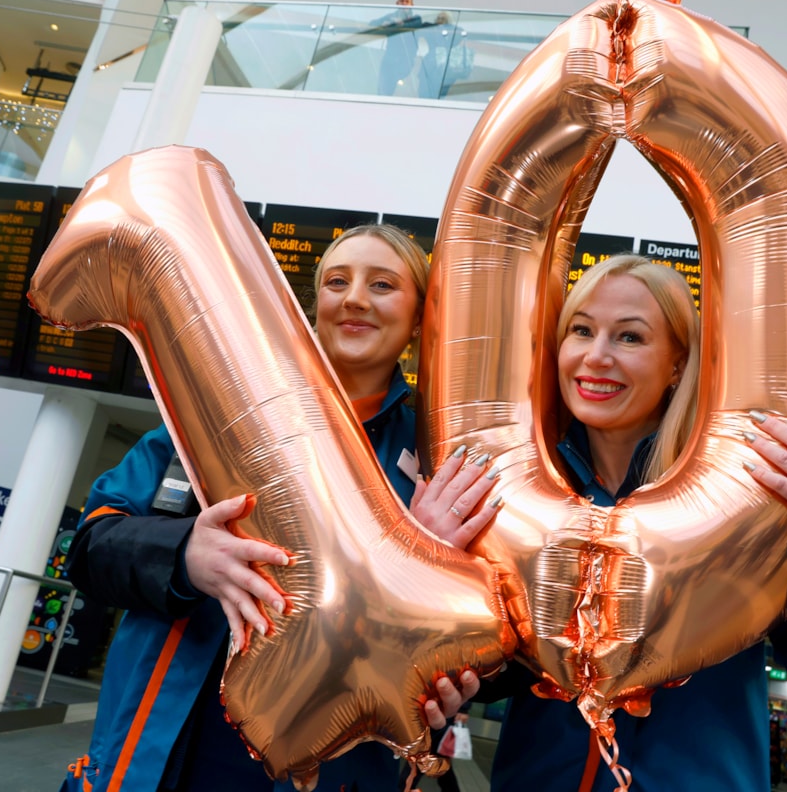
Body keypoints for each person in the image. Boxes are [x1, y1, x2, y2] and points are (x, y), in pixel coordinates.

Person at [432, 254, 787, 791]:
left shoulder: (749, 502)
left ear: (678, 365)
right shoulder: (504, 497)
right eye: (581, 330)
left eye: (630, 338)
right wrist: (428, 565)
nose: (596, 356)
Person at [62, 224, 499, 792]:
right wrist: (184, 554)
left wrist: (422, 568)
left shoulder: (440, 465)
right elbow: (91, 547)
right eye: (337, 281)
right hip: (163, 757)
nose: (355, 298)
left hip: (325, 764)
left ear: (420, 319)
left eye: (384, 284)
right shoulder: (216, 412)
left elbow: (489, 638)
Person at [373, 0, 423, 96]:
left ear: (412, 5)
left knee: (405, 91)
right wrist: (383, 24)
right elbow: (372, 23)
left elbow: (416, 25)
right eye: (402, 1)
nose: (404, 4)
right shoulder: (391, 17)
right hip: (389, 61)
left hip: (406, 62)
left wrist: (401, 24)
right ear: (397, 3)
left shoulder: (416, 18)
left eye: (407, 1)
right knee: (383, 92)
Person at [417, 12, 462, 100]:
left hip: (444, 63)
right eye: (439, 18)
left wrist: (446, 28)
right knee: (424, 87)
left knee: (439, 89)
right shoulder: (432, 29)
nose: (440, 20)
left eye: (443, 18)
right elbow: (420, 27)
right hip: (430, 60)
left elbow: (460, 34)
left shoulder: (453, 31)